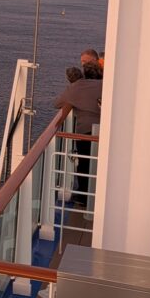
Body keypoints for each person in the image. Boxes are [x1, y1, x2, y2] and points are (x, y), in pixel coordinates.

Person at [54, 61, 103, 208]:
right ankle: (99, 193)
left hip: (85, 132)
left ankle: (83, 197)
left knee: (84, 163)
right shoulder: (102, 84)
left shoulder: (75, 88)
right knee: (99, 162)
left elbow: (57, 104)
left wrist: (73, 101)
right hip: (103, 129)